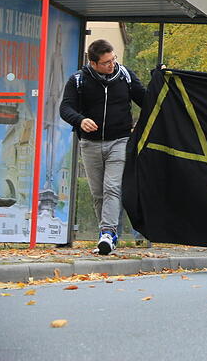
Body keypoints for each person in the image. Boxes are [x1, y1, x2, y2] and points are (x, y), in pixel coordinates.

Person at [59, 39, 146, 256]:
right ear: (94, 63)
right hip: (89, 143)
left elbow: (146, 99)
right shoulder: (78, 80)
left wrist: (161, 82)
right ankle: (107, 235)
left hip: (120, 141)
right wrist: (80, 120)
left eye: (114, 59)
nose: (112, 64)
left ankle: (107, 232)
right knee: (98, 192)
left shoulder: (124, 75)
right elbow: (65, 107)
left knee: (112, 187)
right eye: (107, 62)